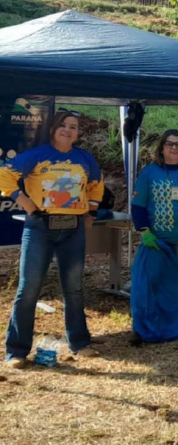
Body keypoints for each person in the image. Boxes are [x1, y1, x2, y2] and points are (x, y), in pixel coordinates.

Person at [0, 110, 104, 368]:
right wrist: (25, 202)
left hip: (73, 230)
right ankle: (17, 351)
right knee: (28, 289)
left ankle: (80, 343)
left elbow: (96, 185)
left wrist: (90, 213)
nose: (68, 130)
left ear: (78, 133)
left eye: (74, 126)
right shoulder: (36, 156)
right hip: (39, 229)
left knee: (74, 288)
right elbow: (4, 174)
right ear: (53, 129)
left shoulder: (84, 159)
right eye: (63, 126)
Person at [131, 129, 178, 265]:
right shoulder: (149, 172)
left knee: (174, 279)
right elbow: (138, 205)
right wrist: (144, 231)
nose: (174, 148)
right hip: (155, 239)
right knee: (155, 279)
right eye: (169, 144)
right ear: (161, 148)